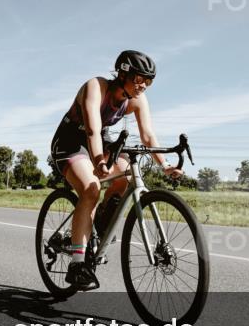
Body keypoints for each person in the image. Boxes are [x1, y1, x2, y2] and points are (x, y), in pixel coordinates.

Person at [49, 50, 182, 289]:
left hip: (102, 139)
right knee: (91, 189)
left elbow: (148, 135)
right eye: (139, 79)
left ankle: (97, 229)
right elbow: (91, 129)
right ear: (123, 74)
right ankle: (78, 264)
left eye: (149, 81)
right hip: (72, 141)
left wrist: (165, 166)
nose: (143, 86)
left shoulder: (137, 99)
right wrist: (99, 161)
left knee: (127, 177)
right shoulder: (96, 86)